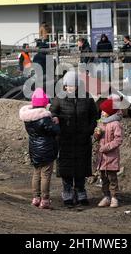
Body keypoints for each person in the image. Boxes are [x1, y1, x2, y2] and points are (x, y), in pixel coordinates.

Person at [50, 71, 98, 206]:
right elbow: (53, 113)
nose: (70, 88)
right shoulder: (59, 98)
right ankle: (67, 192)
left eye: (73, 85)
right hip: (65, 139)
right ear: (64, 86)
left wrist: (89, 130)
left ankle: (81, 191)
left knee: (81, 167)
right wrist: (57, 123)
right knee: (66, 167)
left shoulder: (87, 98)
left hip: (82, 139)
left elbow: (94, 115)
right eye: (68, 85)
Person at [19, 88, 60, 210]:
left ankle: (36, 198)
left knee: (36, 174)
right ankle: (45, 200)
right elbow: (55, 131)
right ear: (44, 103)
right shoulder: (44, 118)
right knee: (46, 174)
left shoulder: (28, 118)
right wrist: (56, 122)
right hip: (46, 149)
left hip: (34, 149)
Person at [93, 98, 124, 208]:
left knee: (112, 179)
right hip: (102, 158)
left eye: (104, 111)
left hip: (111, 157)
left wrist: (106, 147)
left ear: (110, 112)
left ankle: (114, 197)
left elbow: (118, 140)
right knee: (104, 178)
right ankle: (106, 196)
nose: (102, 112)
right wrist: (97, 134)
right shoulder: (101, 123)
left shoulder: (116, 124)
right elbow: (97, 138)